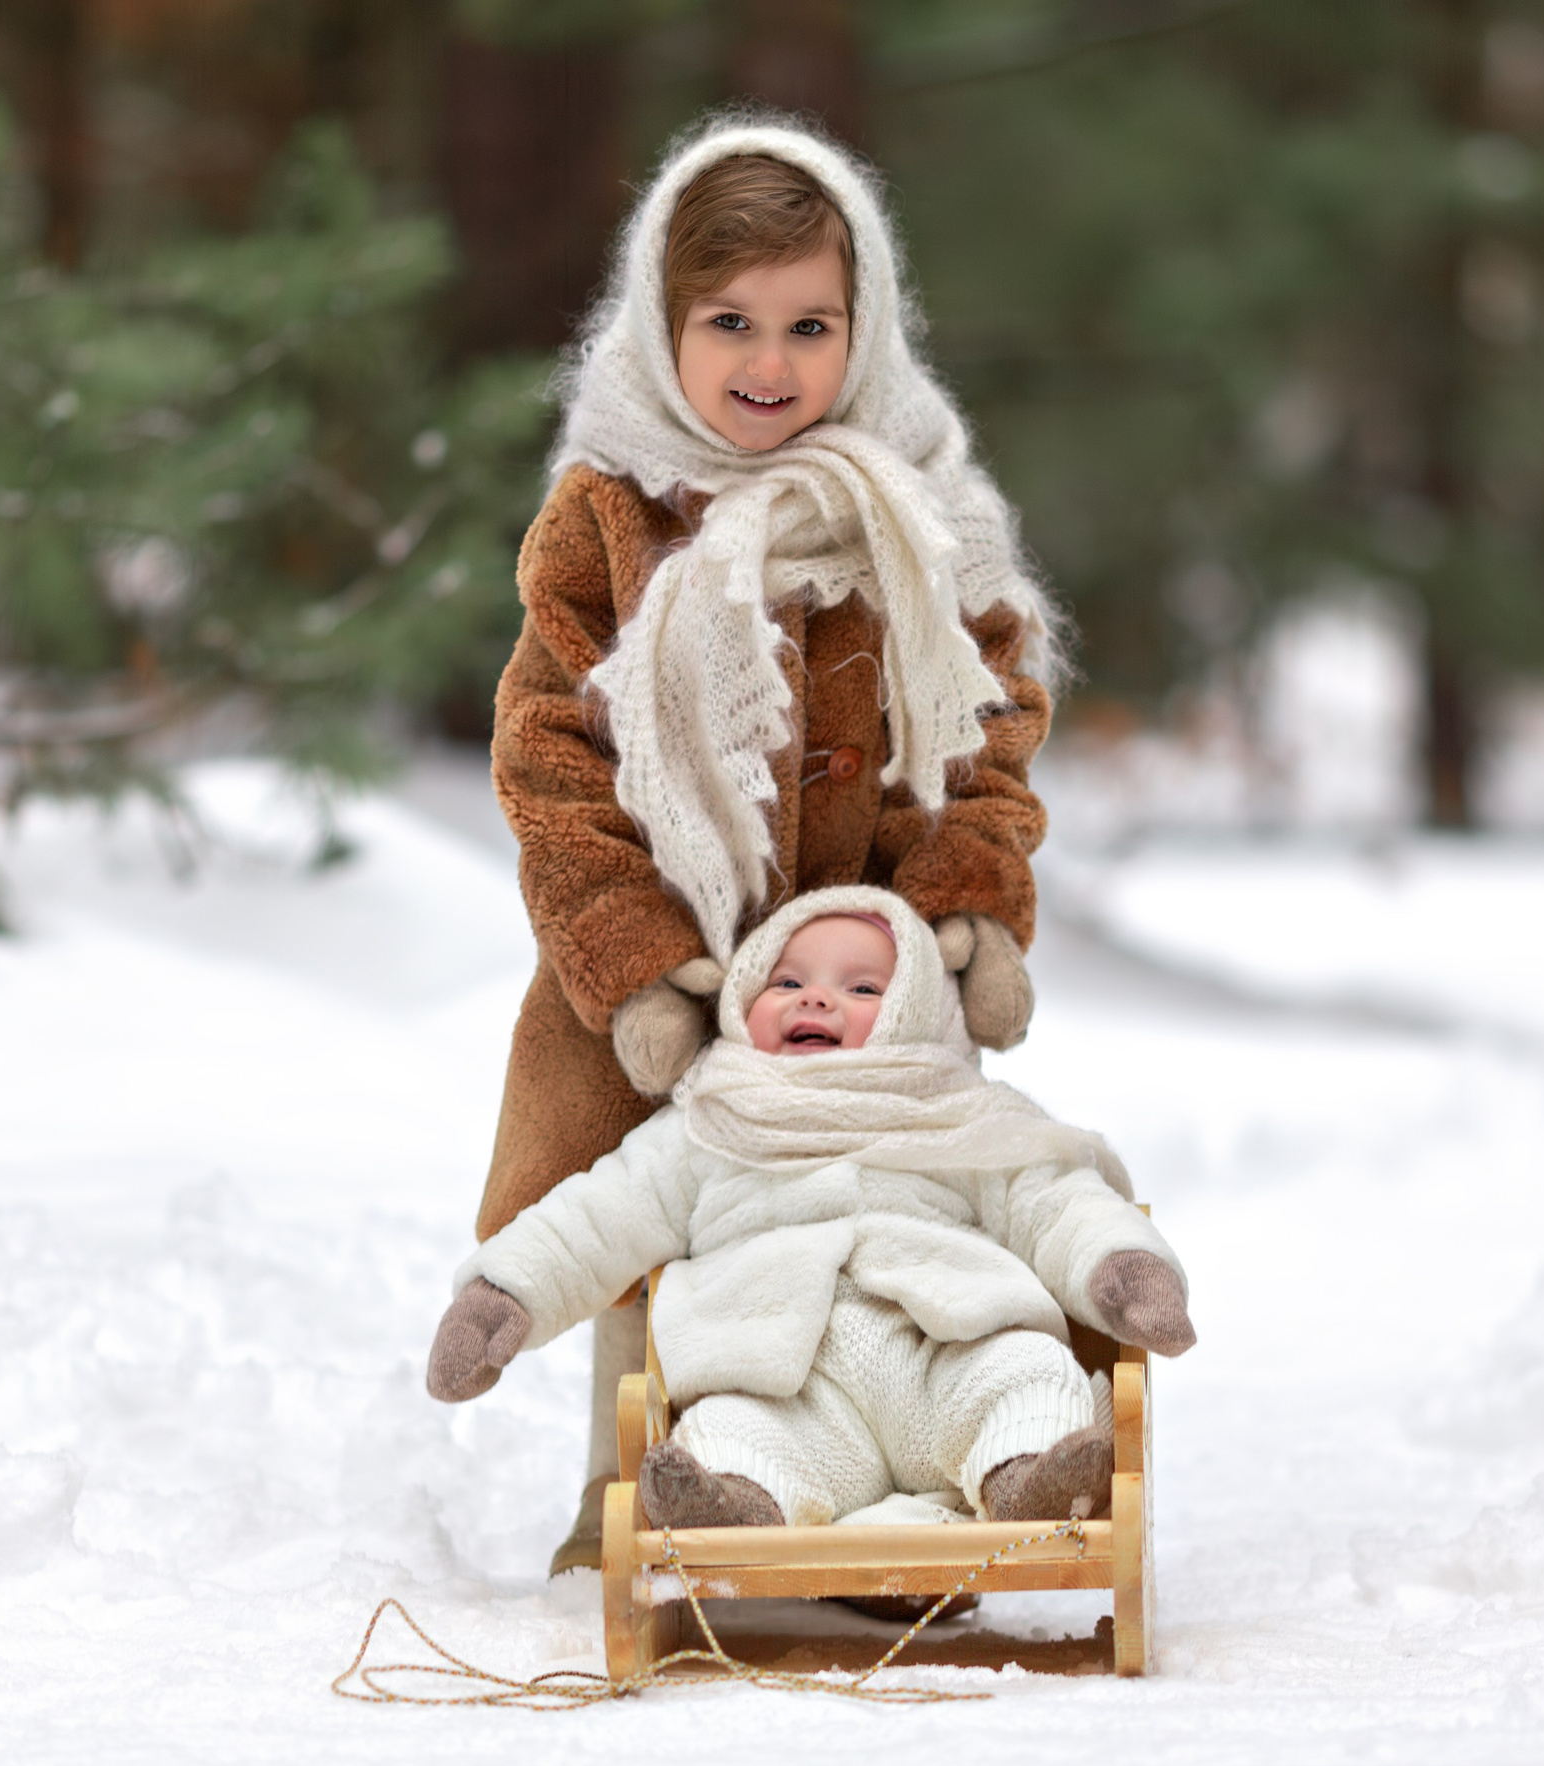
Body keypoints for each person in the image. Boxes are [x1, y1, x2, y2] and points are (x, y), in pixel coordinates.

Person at [474, 116, 1066, 1567]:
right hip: (661, 959)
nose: (770, 360)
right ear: (661, 323)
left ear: (861, 335)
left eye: (810, 325)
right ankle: (635, 1488)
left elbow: (990, 723)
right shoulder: (607, 512)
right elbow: (549, 750)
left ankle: (874, 1498)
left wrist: (963, 904)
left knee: (878, 1224)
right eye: (729, 321)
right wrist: (634, 963)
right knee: (648, 1225)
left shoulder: (919, 509)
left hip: (855, 970)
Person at [430, 888, 1195, 1530]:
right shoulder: (709, 1122)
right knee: (724, 1433)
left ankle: (1029, 1479)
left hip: (948, 1358)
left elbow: (1054, 1200)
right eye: (786, 981)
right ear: (740, 1002)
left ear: (915, 1014)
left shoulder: (955, 1109)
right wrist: (503, 1296)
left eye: (864, 989)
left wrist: (1124, 1268)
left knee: (1029, 1374)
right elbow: (595, 1220)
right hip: (786, 1391)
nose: (818, 997)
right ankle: (733, 1505)